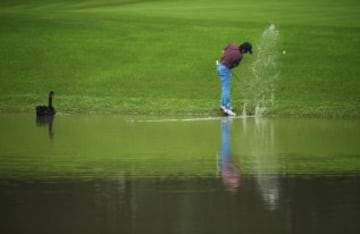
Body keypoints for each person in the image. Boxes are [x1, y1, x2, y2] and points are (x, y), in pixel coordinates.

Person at [216, 42, 252, 116]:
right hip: (225, 70)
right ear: (243, 49)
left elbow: (223, 50)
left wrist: (223, 59)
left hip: (219, 66)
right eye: (247, 51)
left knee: (224, 88)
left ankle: (223, 105)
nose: (246, 53)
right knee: (226, 89)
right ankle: (227, 108)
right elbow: (233, 65)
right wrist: (228, 66)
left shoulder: (233, 45)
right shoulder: (239, 56)